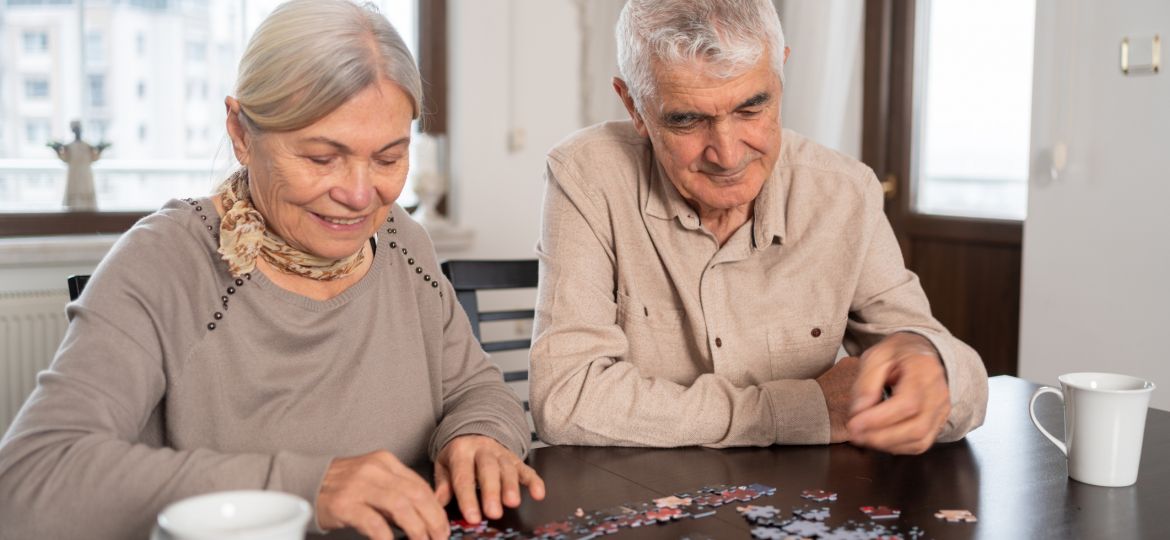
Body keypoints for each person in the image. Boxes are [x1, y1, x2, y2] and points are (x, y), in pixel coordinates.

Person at [0, 2, 542, 539]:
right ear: (241, 133)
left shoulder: (402, 240)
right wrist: (306, 488)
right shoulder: (165, 260)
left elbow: (476, 388)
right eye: (321, 157)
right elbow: (30, 481)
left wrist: (480, 436)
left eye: (387, 158)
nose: (359, 195)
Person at [530, 0, 988, 454]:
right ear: (633, 106)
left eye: (752, 107)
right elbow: (564, 397)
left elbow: (949, 375)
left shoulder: (845, 192)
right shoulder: (586, 174)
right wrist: (802, 411)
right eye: (687, 119)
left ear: (780, 75)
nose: (728, 155)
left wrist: (934, 367)